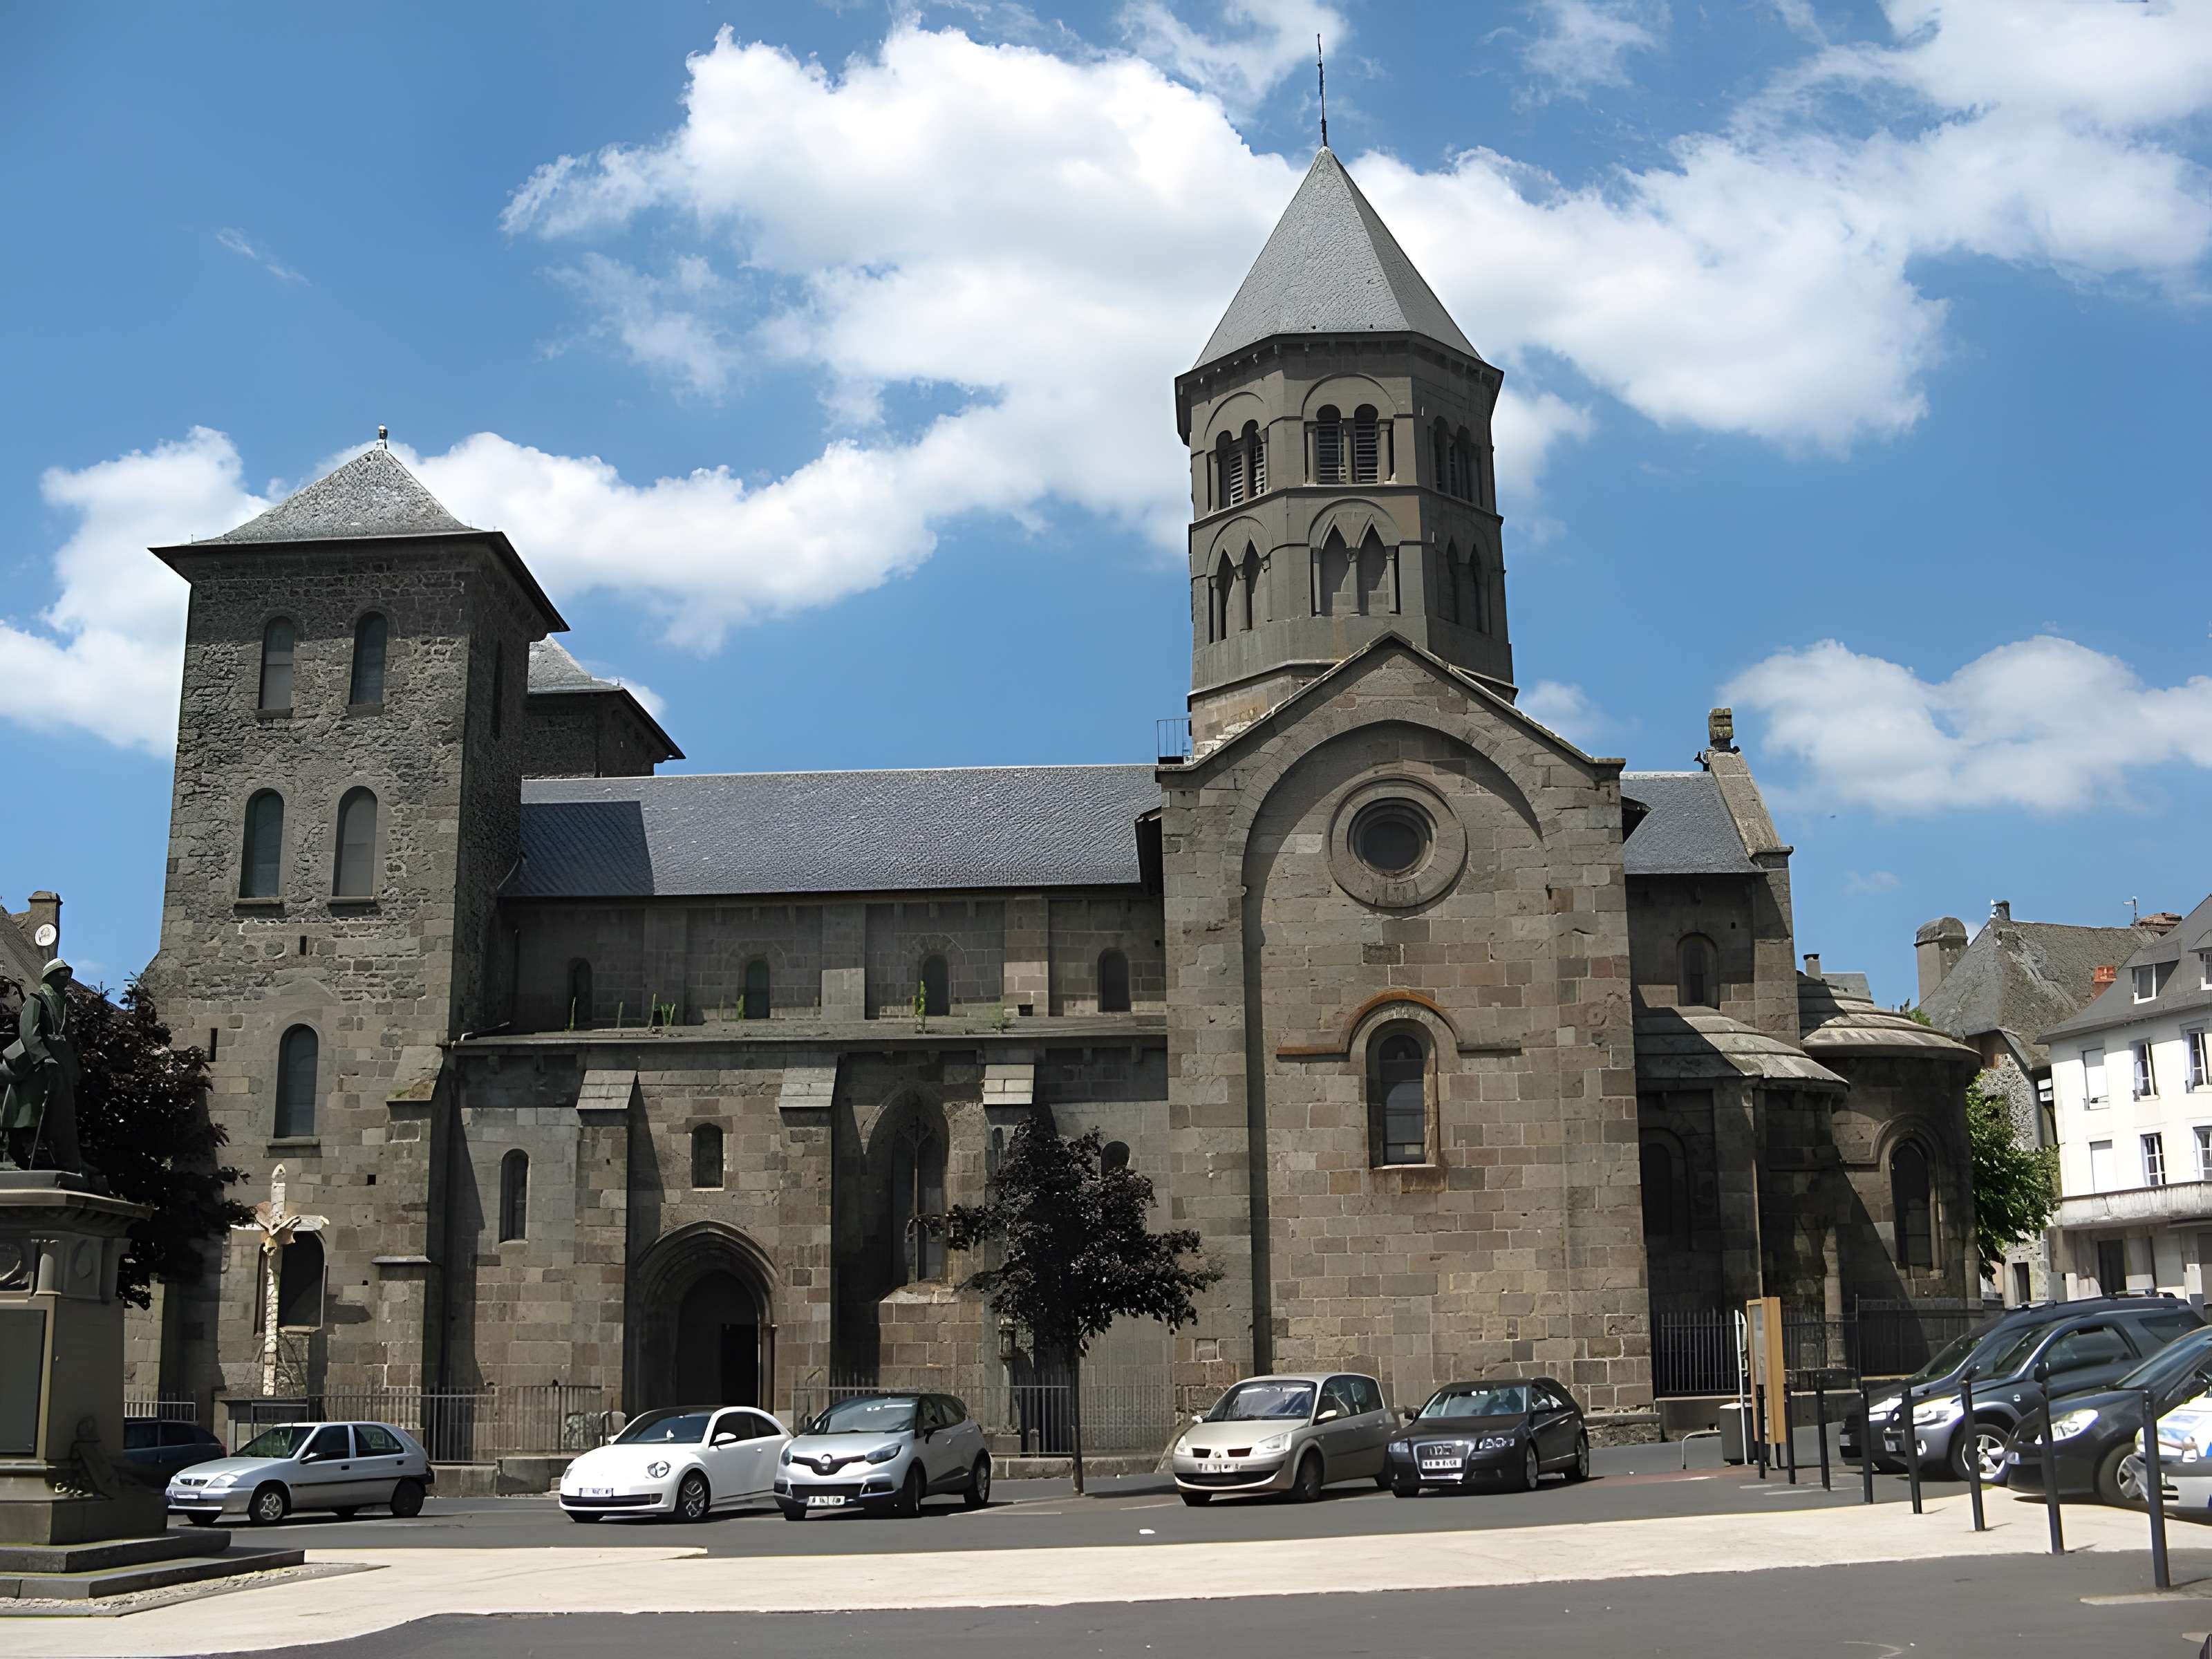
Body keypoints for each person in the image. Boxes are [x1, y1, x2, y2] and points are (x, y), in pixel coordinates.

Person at [0, 958, 84, 1172]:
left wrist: (73, 1069)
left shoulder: (63, 1005)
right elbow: (29, 1032)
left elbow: (67, 1040)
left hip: (60, 1068)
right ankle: (20, 1153)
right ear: (50, 976)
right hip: (35, 1067)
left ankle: (66, 1159)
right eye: (62, 974)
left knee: (60, 1116)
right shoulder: (37, 999)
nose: (66, 979)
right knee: (30, 1110)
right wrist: (43, 1057)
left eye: (68, 975)